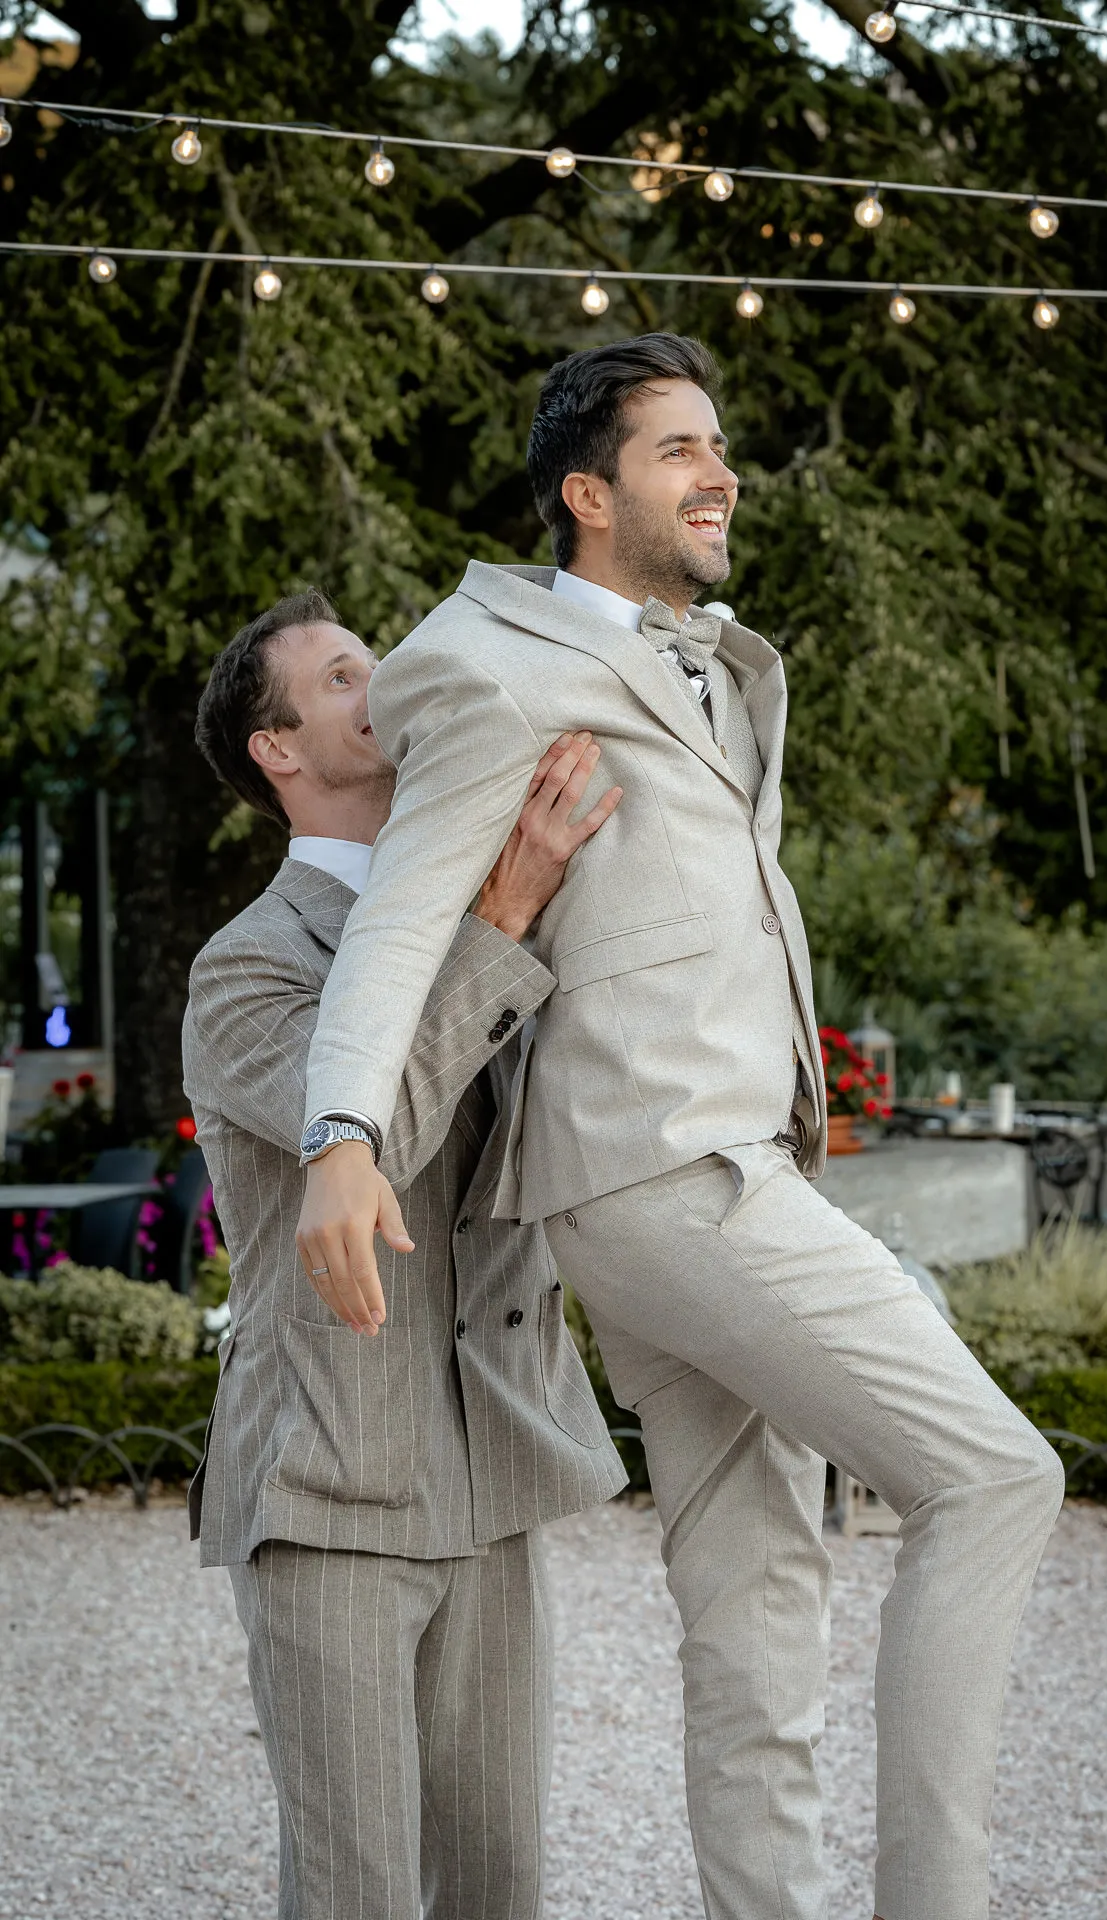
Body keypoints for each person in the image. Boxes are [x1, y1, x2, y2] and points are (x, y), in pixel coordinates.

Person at [295, 337, 1065, 1920]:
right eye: (678, 452)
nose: (720, 473)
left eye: (720, 445)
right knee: (996, 1478)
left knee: (760, 1614)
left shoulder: (704, 657)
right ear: (587, 494)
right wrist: (341, 1133)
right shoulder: (484, 660)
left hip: (721, 1172)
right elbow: (400, 925)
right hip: (667, 1170)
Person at [183, 588, 627, 1920]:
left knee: (500, 1889)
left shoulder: (499, 909)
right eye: (339, 678)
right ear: (278, 748)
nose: (384, 683)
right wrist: (502, 921)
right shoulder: (245, 970)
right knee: (360, 1894)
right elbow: (388, 1135)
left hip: (493, 1470)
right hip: (328, 1481)